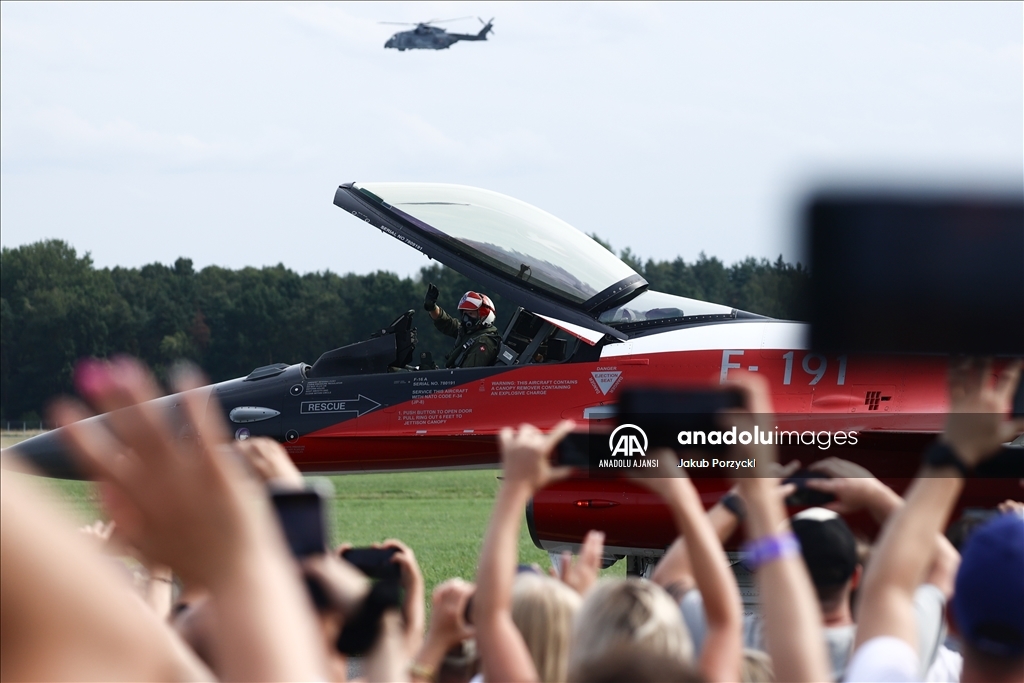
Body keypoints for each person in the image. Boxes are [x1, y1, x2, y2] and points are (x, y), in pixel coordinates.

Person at [424, 284, 501, 368]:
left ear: (484, 316)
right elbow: (447, 323)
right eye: (465, 314)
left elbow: (467, 375)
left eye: (471, 313)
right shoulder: (469, 333)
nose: (466, 318)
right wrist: (432, 307)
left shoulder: (484, 342)